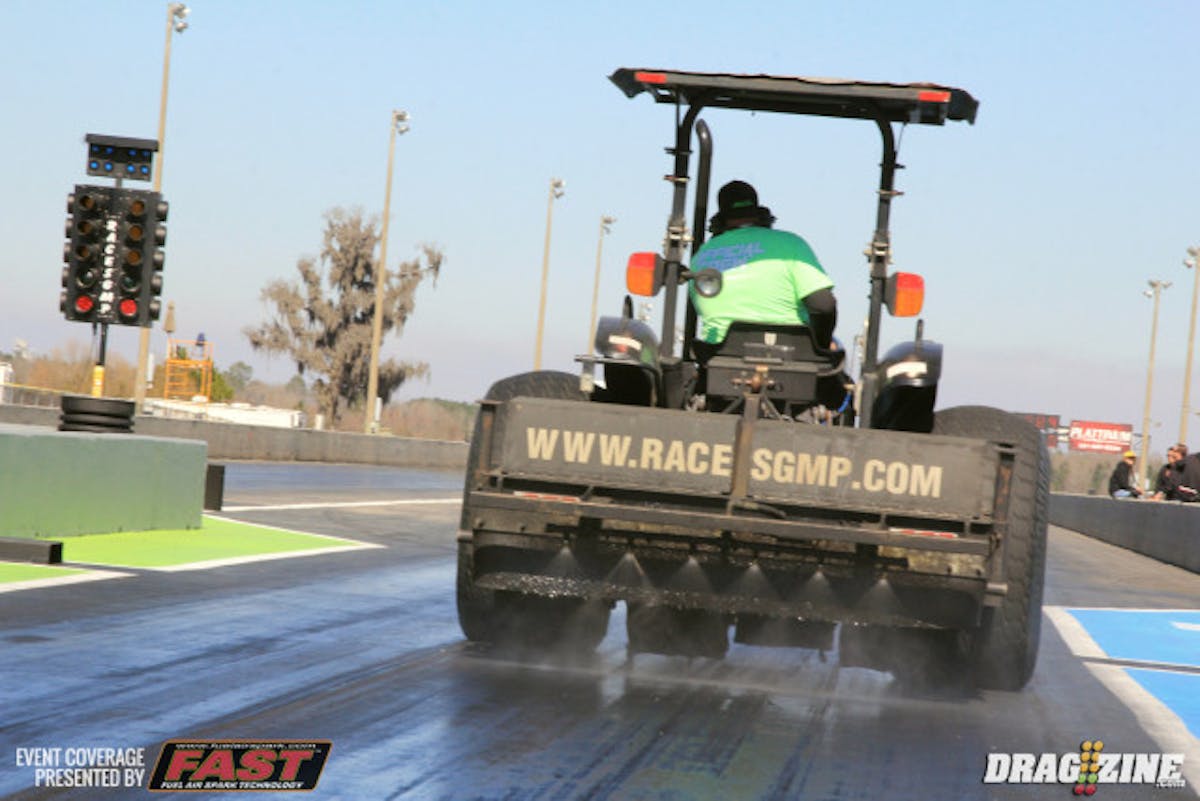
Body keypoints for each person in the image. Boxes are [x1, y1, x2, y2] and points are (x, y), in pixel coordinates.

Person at [689, 180, 837, 350]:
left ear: (719, 221)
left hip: (718, 358)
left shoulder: (701, 256)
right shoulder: (791, 243)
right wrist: (820, 349)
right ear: (761, 215)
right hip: (791, 356)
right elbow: (823, 305)